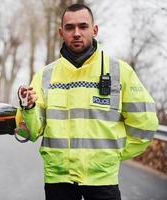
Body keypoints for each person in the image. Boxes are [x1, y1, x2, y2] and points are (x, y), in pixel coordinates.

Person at [15, 3, 158, 200]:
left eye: (83, 26)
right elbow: (29, 132)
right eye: (69, 27)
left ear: (95, 30)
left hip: (103, 181)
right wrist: (29, 108)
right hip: (58, 181)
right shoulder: (45, 76)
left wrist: (113, 156)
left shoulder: (120, 72)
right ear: (61, 32)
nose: (76, 33)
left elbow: (146, 123)